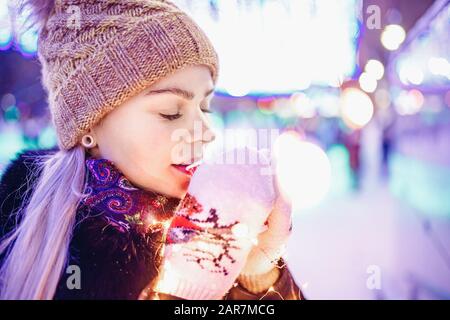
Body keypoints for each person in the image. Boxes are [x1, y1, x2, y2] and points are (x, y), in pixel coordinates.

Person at [0, 0, 303, 300]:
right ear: (89, 126)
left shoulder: (218, 239)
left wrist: (258, 276)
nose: (207, 133)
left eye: (204, 107)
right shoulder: (24, 237)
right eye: (171, 111)